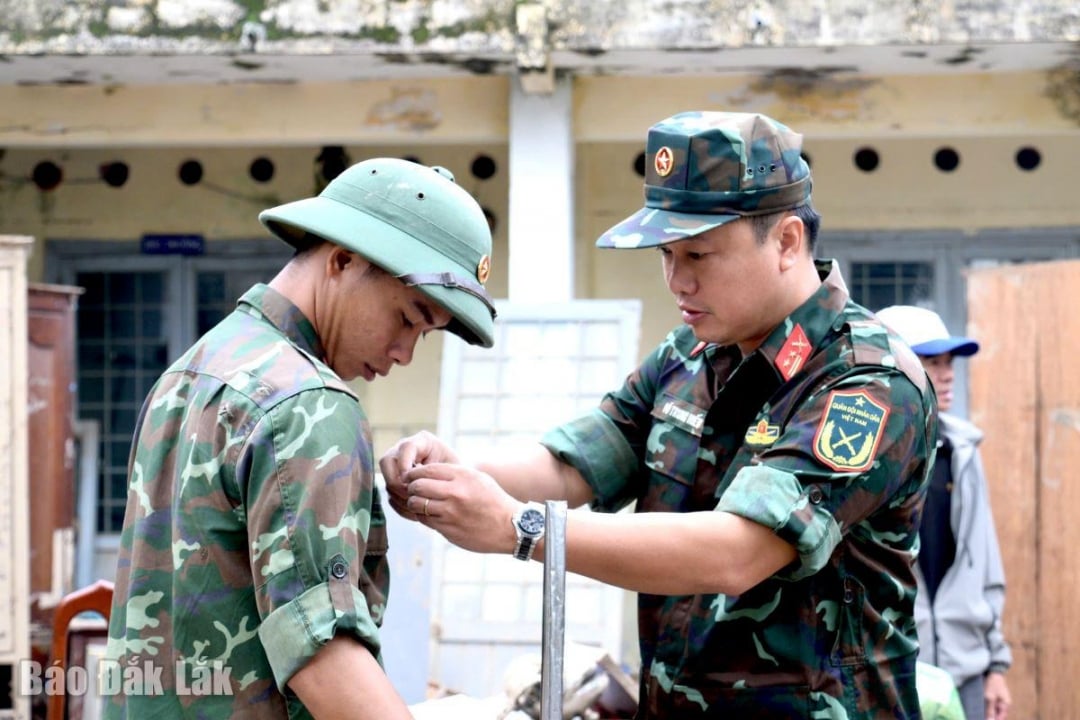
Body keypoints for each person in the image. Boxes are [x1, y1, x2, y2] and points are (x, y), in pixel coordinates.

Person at [381, 111, 938, 718]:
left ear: (785, 242)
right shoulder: (690, 354)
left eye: (699, 255)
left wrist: (523, 529)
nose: (678, 280)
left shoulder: (866, 380)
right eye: (666, 254)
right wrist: (448, 469)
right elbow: (576, 465)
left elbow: (739, 553)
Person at [102, 158, 498, 719]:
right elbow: (325, 657)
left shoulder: (195, 369)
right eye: (409, 318)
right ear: (342, 260)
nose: (405, 353)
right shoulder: (310, 402)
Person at [875, 305, 1012, 720]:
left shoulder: (963, 453)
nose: (948, 373)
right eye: (931, 361)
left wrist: (995, 667)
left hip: (964, 672)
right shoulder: (865, 462)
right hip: (891, 671)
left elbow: (985, 568)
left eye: (949, 361)